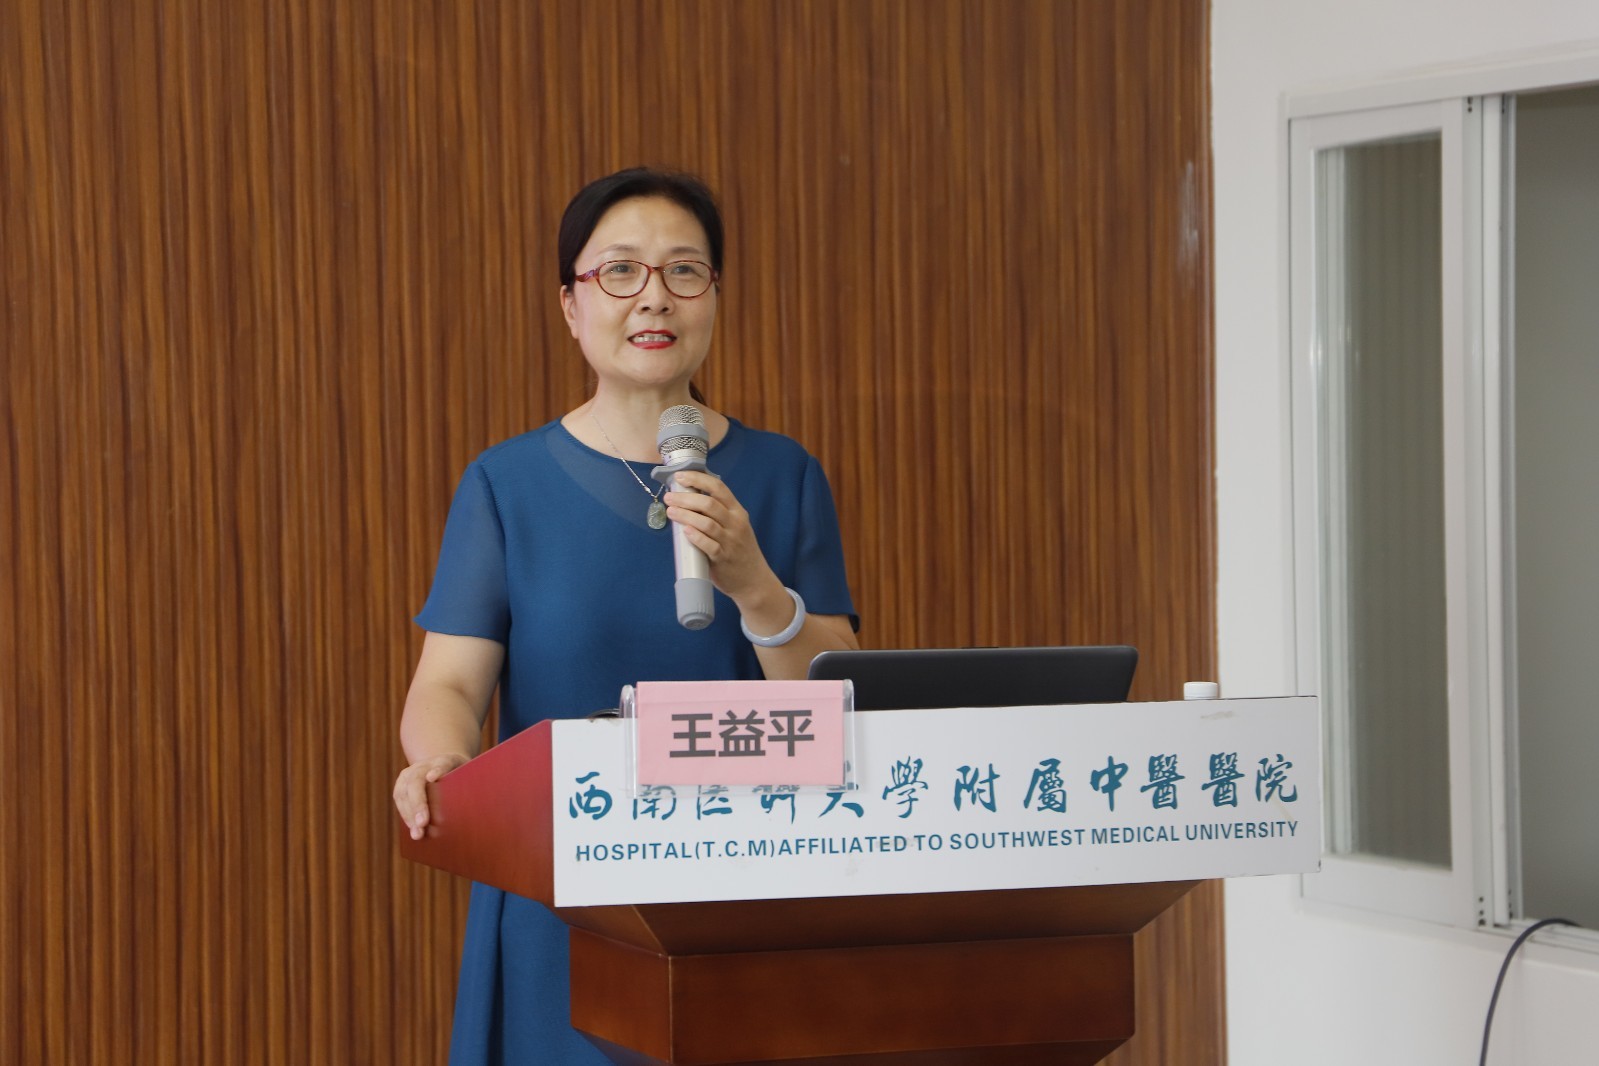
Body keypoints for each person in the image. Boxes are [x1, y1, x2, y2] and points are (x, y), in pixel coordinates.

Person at [391, 167, 860, 1064]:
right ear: (571, 306)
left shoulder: (782, 474)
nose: (654, 296)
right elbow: (447, 682)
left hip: (745, 887)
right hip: (563, 884)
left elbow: (835, 700)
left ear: (713, 297)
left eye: (684, 270)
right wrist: (445, 760)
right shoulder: (506, 484)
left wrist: (755, 585)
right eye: (619, 271)